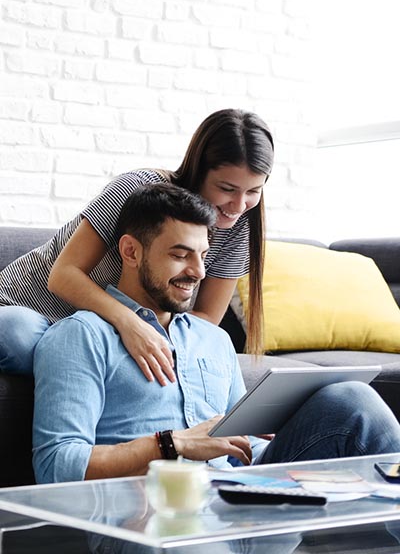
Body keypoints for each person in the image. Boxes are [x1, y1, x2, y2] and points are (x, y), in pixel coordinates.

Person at [32, 183, 400, 484]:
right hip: (156, 513)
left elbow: (240, 448)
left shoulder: (213, 339)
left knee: (353, 399)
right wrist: (172, 445)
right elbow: (56, 465)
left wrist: (262, 438)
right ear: (131, 251)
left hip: (241, 497)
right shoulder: (80, 337)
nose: (198, 272)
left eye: (202, 256)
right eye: (180, 255)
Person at [0, 108, 273, 380]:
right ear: (199, 170)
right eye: (227, 189)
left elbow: (206, 319)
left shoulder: (239, 227)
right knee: (17, 334)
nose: (238, 205)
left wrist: (154, 340)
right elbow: (62, 276)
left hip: (106, 335)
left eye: (253, 191)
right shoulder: (137, 189)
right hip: (35, 311)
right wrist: (130, 324)